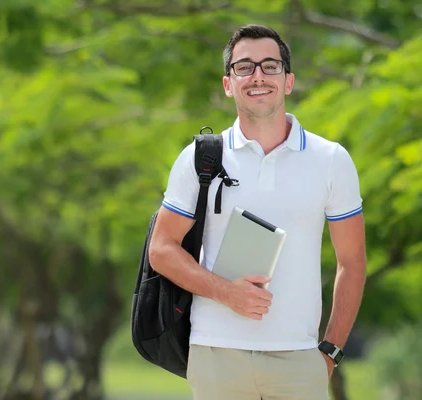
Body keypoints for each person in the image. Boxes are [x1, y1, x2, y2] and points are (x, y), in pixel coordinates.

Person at [148, 24, 366, 399]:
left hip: (299, 358)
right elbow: (161, 249)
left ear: (288, 81)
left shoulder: (331, 160)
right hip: (216, 354)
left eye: (270, 66)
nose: (258, 76)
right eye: (244, 67)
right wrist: (225, 292)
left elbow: (353, 262)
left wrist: (329, 351)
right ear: (228, 84)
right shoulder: (200, 159)